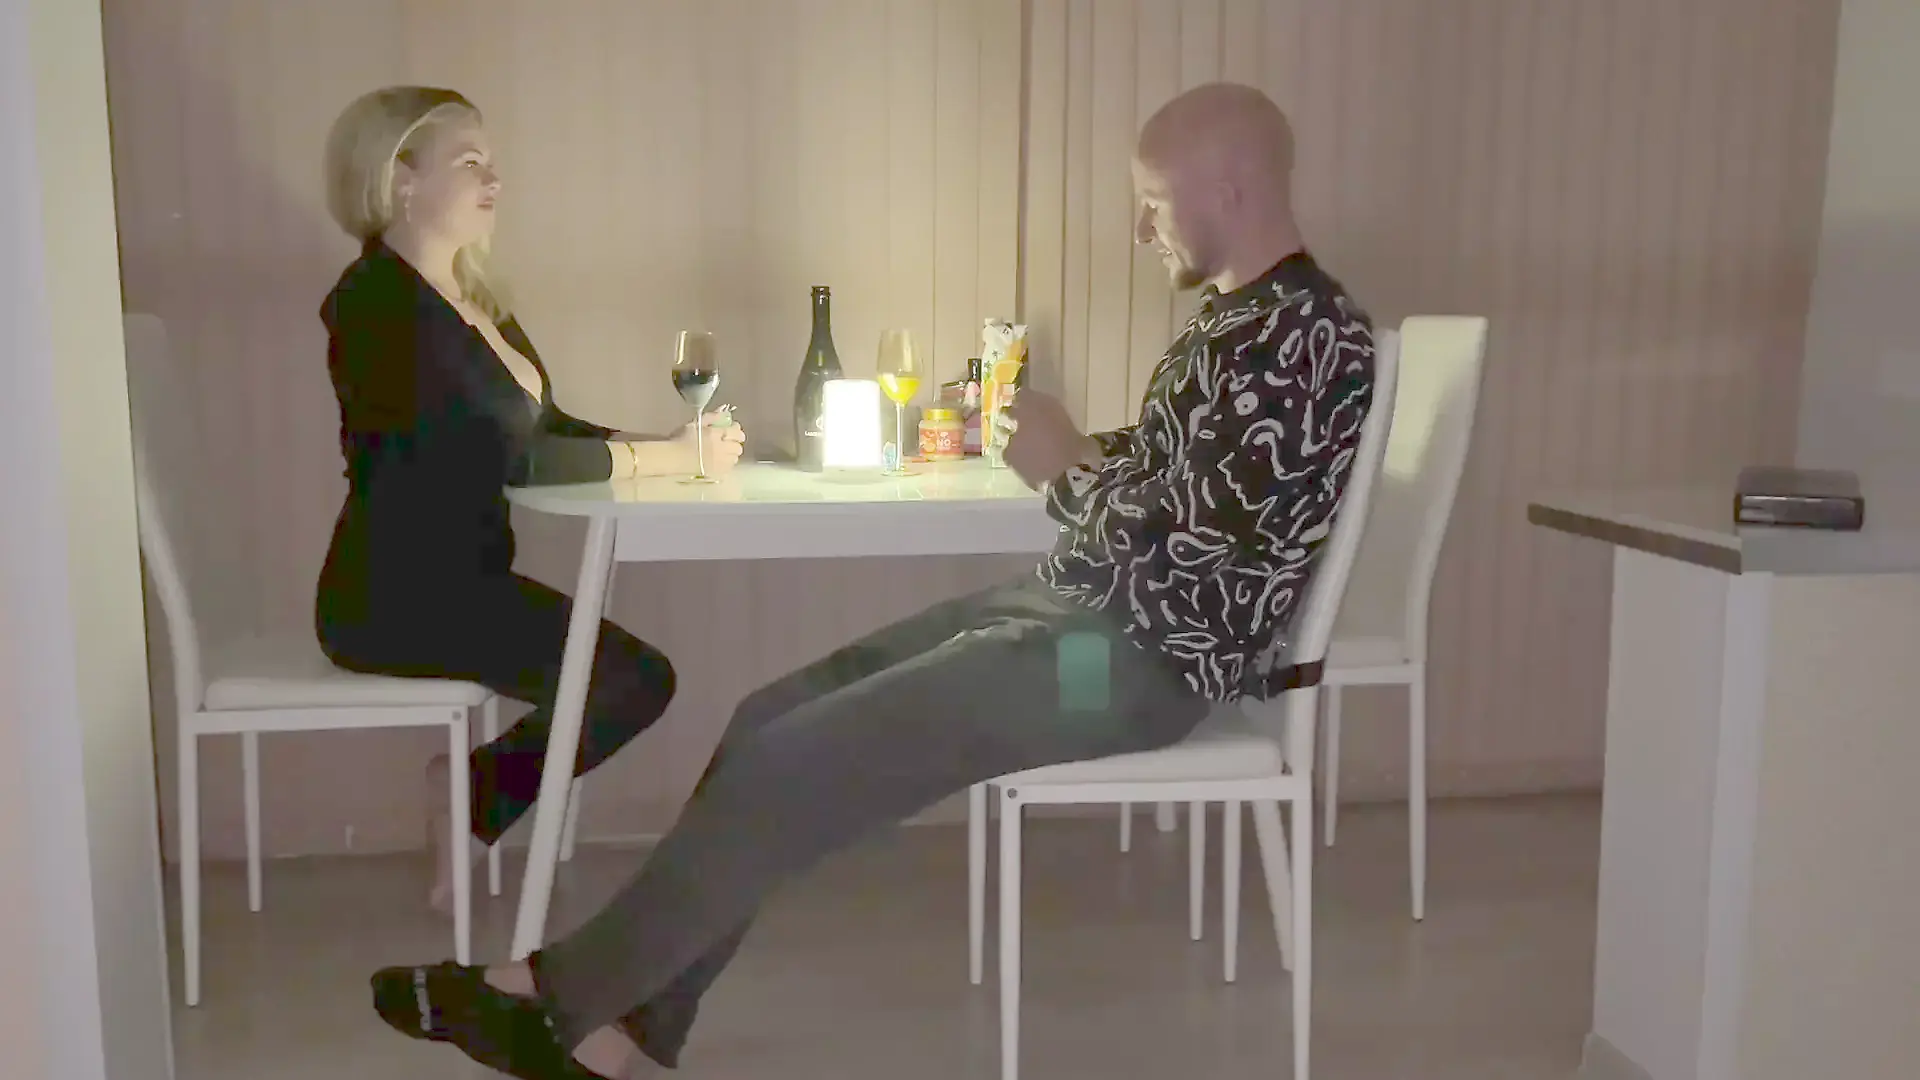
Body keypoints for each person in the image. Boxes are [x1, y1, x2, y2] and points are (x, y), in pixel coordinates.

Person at [367, 81, 1377, 1080]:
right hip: (1078, 619)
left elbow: (1201, 550)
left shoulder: (1305, 334)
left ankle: (550, 1001)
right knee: (767, 721)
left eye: (1155, 201)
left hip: (1128, 667)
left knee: (792, 766)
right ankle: (615, 1036)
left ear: (1230, 188)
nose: (1142, 227)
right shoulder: (1240, 322)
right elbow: (1180, 478)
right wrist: (1081, 449)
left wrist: (1067, 470)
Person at [314, 86, 747, 913]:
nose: (494, 181)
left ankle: (469, 796)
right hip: (392, 596)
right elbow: (513, 458)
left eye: (493, 164)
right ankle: (470, 800)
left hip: (467, 580)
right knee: (629, 681)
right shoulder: (374, 306)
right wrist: (663, 458)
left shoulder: (473, 298)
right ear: (400, 179)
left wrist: (666, 444)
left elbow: (546, 427)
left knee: (628, 679)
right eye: (470, 162)